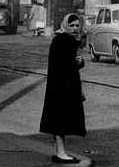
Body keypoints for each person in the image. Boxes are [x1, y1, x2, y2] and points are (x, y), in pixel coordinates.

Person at [40, 13, 86, 164]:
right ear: (65, 25)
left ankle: (60, 152)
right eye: (71, 25)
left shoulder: (61, 39)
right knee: (61, 121)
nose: (74, 29)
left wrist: (78, 62)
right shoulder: (64, 41)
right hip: (63, 88)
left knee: (58, 120)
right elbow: (66, 66)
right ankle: (61, 153)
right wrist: (78, 63)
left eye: (76, 26)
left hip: (59, 86)